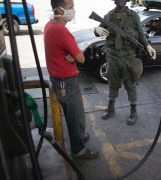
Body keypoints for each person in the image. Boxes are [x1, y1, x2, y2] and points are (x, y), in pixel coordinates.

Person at [44, 0, 99, 159]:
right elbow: (81, 58)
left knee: (74, 114)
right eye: (70, 7)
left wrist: (72, 55)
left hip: (60, 78)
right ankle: (79, 150)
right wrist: (75, 54)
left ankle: (78, 137)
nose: (73, 10)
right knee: (75, 115)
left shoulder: (50, 25)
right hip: (65, 81)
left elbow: (71, 53)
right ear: (59, 9)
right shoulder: (60, 30)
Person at [94, 0, 156, 125]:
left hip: (128, 58)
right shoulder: (109, 15)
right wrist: (97, 29)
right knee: (113, 83)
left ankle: (133, 111)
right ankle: (111, 109)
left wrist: (148, 46)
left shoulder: (134, 16)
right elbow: (99, 28)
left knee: (130, 85)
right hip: (113, 57)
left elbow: (140, 33)